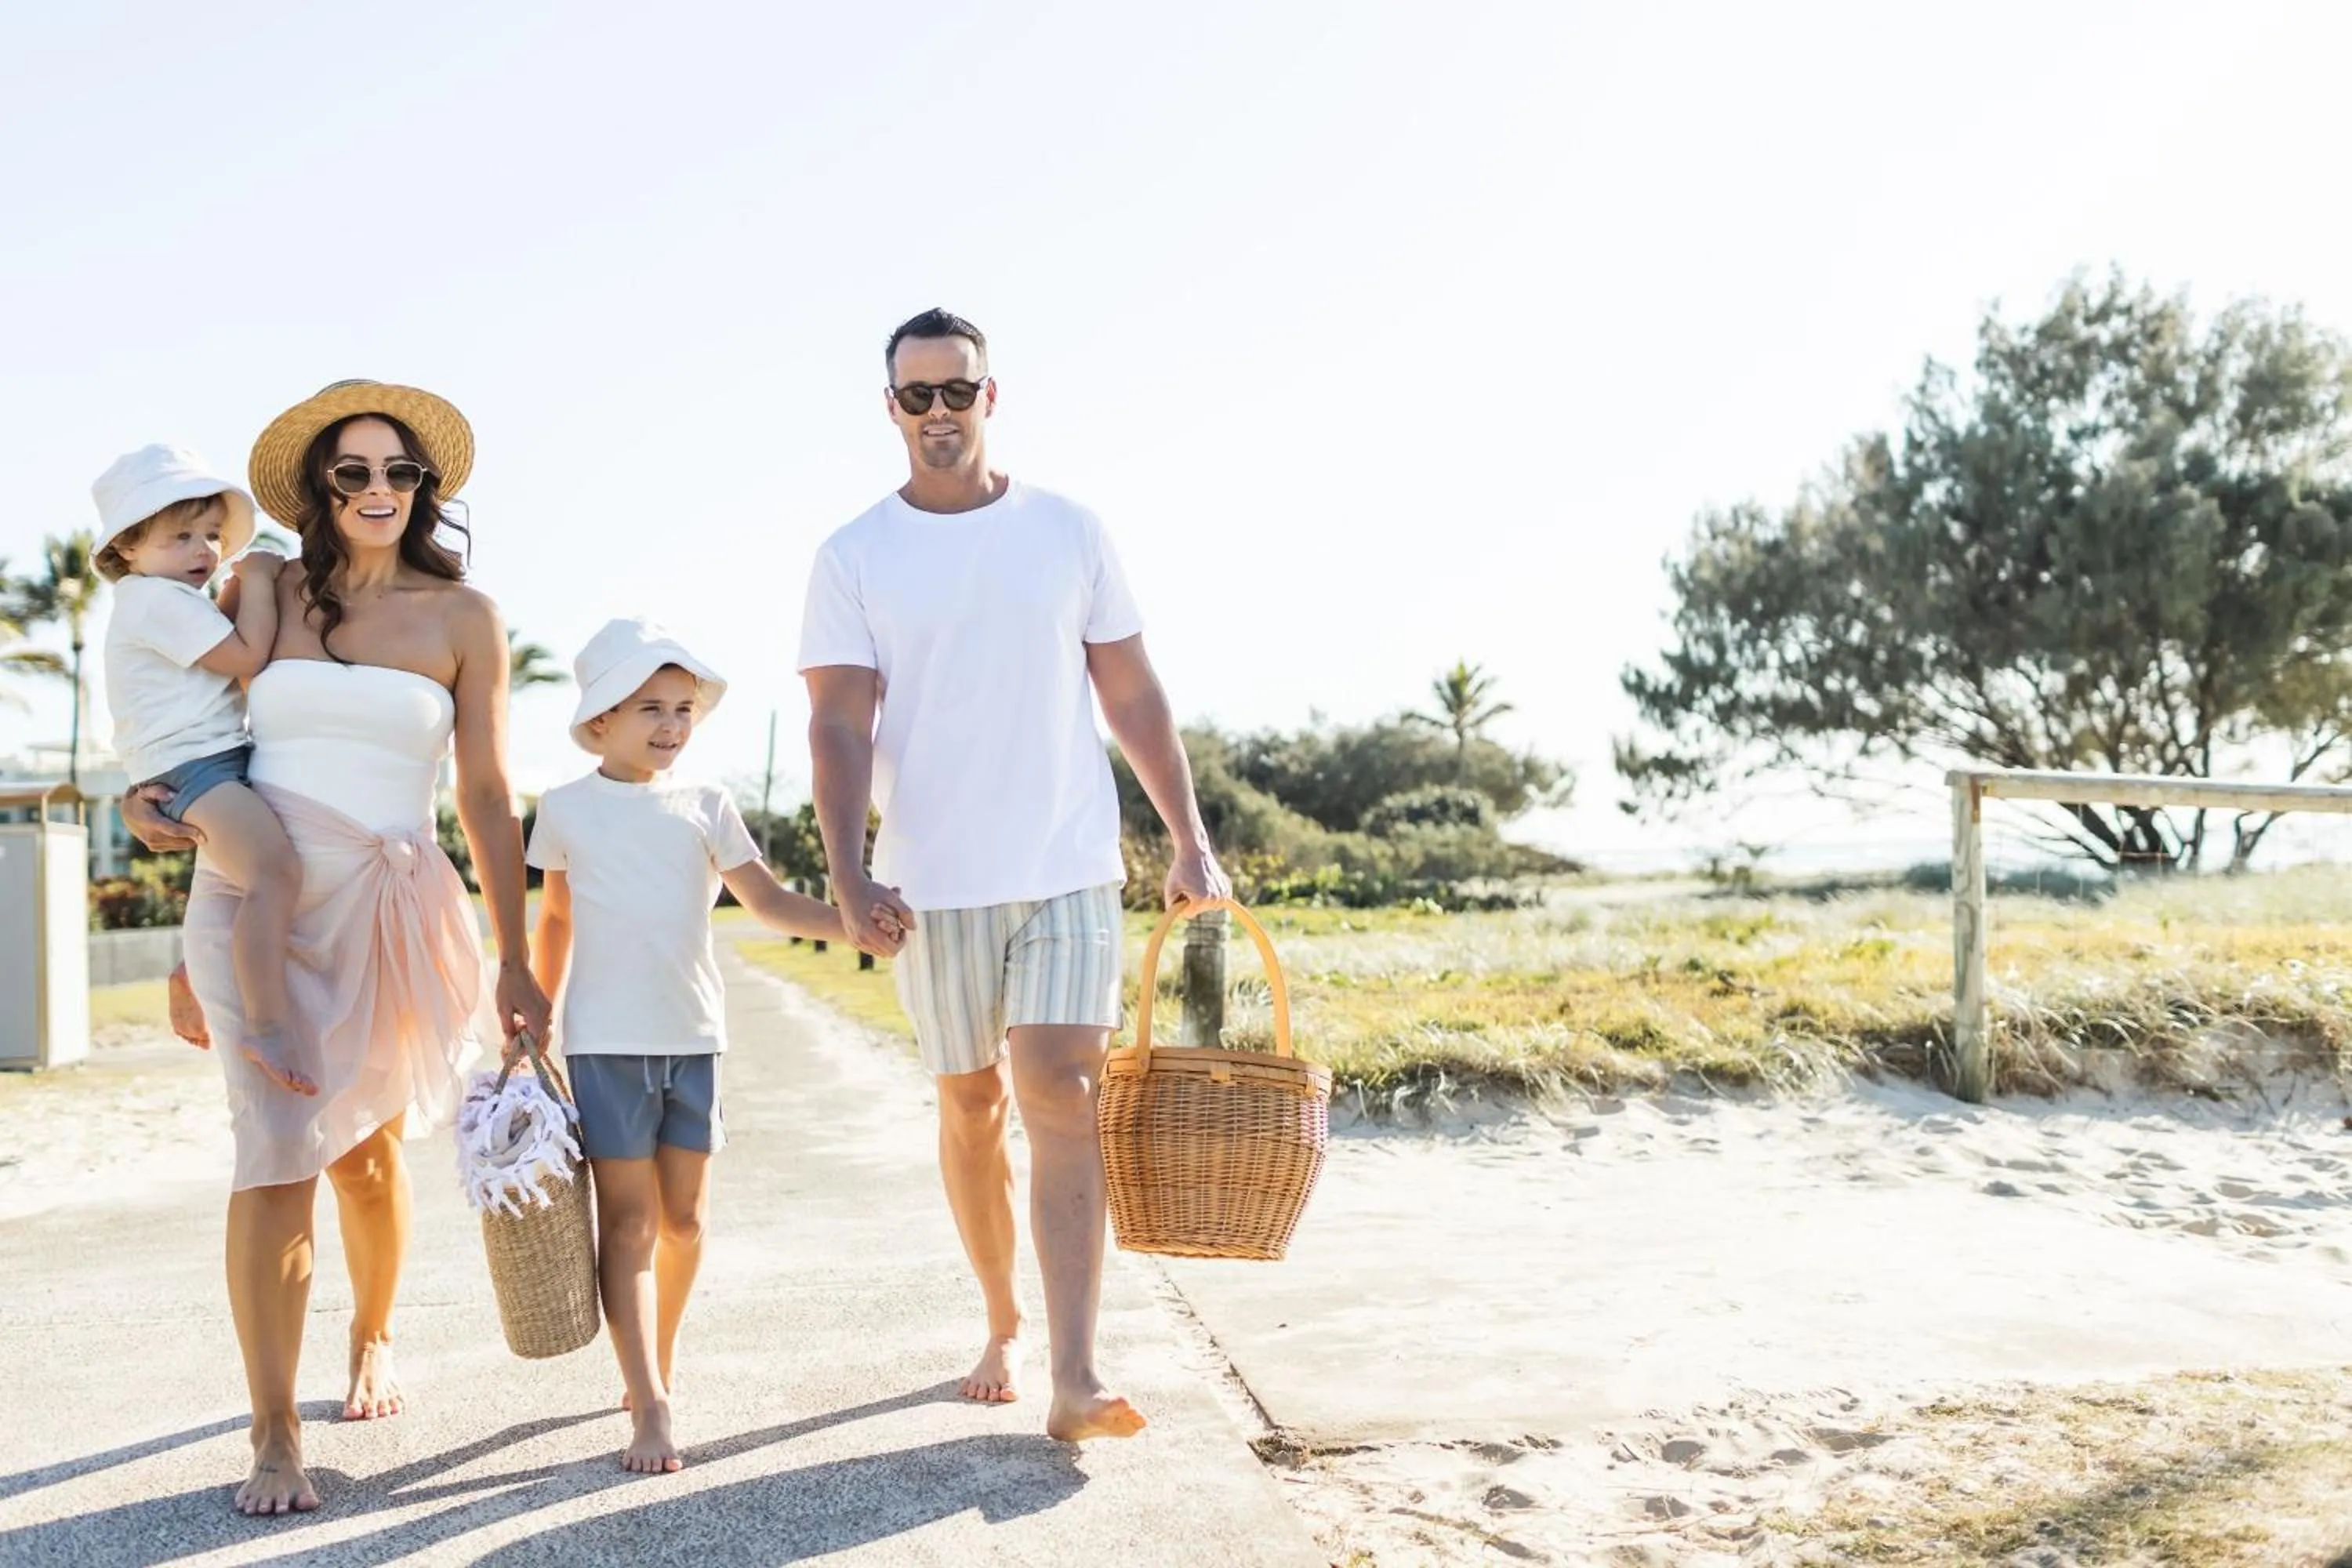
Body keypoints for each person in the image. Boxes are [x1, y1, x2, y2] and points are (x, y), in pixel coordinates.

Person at [798, 308, 1229, 1443]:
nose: (938, 413)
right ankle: (1001, 1316)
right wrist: (848, 874)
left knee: (1058, 1093)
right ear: (889, 409)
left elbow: (1130, 695)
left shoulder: (1069, 532)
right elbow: (839, 726)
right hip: (930, 881)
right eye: (916, 396)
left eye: (957, 391)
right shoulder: (852, 556)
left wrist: (1185, 833)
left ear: (994, 396)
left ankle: (1075, 1376)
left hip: (1066, 865)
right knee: (972, 1104)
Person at [130, 380, 550, 1516]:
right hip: (248, 896)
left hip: (386, 905)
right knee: (273, 1152)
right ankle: (273, 1432)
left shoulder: (465, 619)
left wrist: (515, 958)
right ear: (320, 487)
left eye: (399, 472)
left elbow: (485, 792)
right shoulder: (262, 585)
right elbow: (198, 738)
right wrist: (144, 806)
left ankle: (371, 1336)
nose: (377, 490)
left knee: (362, 1151)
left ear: (425, 489)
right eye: (352, 472)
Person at [527, 617, 882, 1474]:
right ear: (600, 717)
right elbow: (558, 918)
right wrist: (535, 1011)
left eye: (684, 708)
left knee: (684, 1220)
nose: (672, 725)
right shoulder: (564, 809)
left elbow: (764, 901)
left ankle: (660, 1354)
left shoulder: (708, 803)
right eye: (651, 706)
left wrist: (858, 922)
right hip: (605, 1045)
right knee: (631, 1220)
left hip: (696, 1039)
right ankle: (648, 1398)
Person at [93, 446, 311, 1096]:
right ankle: (267, 1024)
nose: (204, 551)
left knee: (242, 884)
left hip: (211, 761)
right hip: (197, 767)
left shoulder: (166, 598)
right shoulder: (152, 600)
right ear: (128, 549)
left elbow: (221, 639)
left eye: (212, 535)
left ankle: (201, 971)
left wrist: (239, 589)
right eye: (180, 537)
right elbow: (246, 654)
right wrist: (265, 578)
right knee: (276, 872)